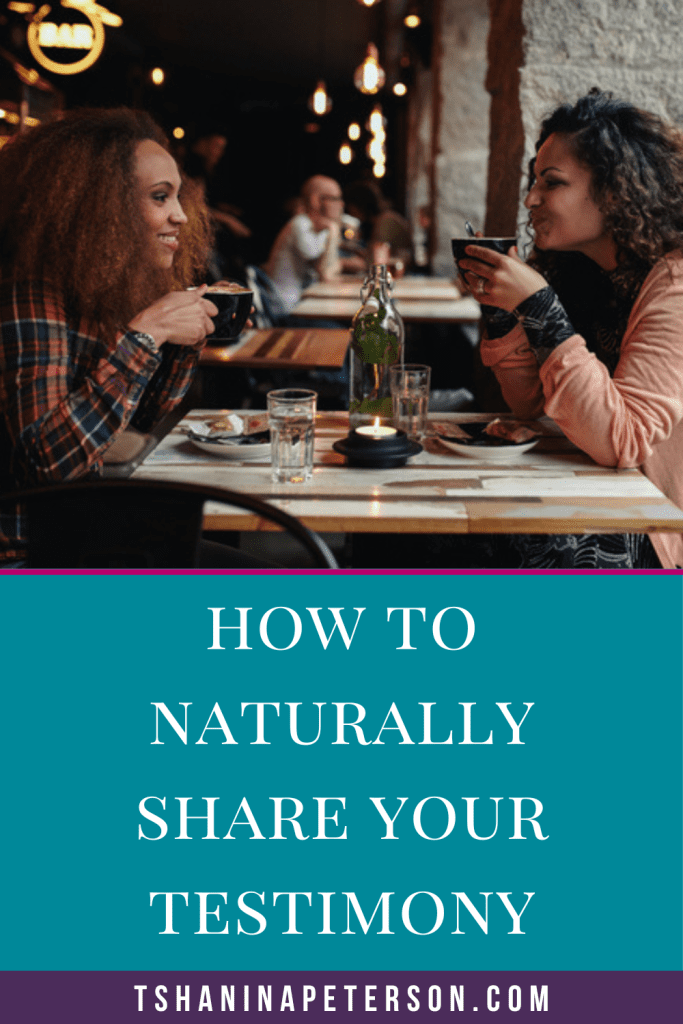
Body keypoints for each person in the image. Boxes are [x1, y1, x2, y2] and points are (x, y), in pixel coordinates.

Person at [456, 88, 683, 569]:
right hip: (604, 493)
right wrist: (504, 312)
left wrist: (538, 304)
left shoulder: (675, 281)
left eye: (551, 183)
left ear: (613, 190)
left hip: (660, 527)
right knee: (413, 529)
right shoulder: (582, 271)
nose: (531, 198)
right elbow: (536, 404)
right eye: (533, 181)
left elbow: (622, 439)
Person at [0, 108, 220, 567]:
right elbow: (51, 466)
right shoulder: (28, 288)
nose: (181, 216)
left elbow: (134, 421)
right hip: (30, 558)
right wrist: (147, 334)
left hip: (82, 533)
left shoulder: (99, 281)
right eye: (160, 198)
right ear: (99, 205)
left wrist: (183, 336)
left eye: (178, 197)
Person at [264, 175, 363, 313]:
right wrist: (334, 230)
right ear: (315, 200)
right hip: (287, 310)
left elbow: (332, 269)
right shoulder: (300, 224)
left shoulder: (319, 229)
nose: (341, 204)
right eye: (336, 198)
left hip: (303, 304)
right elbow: (325, 274)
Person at [343, 180, 414, 271]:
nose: (349, 211)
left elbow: (375, 259)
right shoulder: (383, 219)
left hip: (401, 273)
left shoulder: (386, 221)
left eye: (351, 206)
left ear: (360, 204)